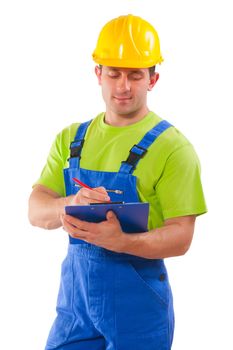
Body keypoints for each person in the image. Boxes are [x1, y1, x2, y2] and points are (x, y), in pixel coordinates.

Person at [28, 14, 207, 350]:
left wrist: (122, 241)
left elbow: (181, 236)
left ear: (152, 79)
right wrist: (70, 202)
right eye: (114, 73)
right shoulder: (71, 140)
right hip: (75, 309)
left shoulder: (173, 148)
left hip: (137, 314)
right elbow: (36, 211)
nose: (123, 86)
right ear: (98, 74)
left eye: (135, 75)